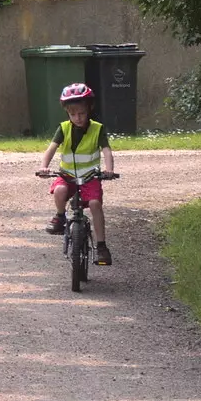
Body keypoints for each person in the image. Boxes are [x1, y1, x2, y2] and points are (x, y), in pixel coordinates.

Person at [38, 82, 117, 265]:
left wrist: (109, 169)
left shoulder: (98, 129)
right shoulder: (63, 128)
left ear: (89, 109)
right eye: (72, 114)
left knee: (96, 204)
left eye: (81, 113)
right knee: (59, 191)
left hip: (90, 177)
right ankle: (59, 217)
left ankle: (102, 246)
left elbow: (106, 150)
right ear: (67, 113)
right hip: (67, 175)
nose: (77, 118)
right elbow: (51, 149)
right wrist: (44, 166)